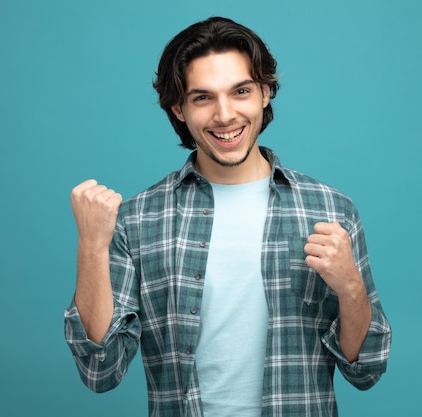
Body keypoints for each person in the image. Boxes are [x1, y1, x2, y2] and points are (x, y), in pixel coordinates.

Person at [65, 16, 391, 417]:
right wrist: (91, 246)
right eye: (202, 98)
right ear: (178, 109)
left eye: (241, 91)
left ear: (265, 93)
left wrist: (352, 290)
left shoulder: (330, 210)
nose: (225, 115)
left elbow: (368, 369)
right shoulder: (138, 220)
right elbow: (101, 370)